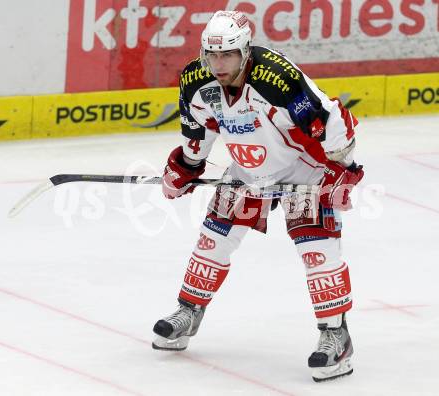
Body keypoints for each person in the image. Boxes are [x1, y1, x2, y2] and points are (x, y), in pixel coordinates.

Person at [152, 10, 364, 382]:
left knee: (316, 250)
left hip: (304, 168)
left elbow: (334, 122)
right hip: (248, 171)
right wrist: (184, 169)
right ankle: (188, 313)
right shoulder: (194, 81)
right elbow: (198, 136)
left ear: (245, 51)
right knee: (212, 241)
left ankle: (336, 335)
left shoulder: (277, 78)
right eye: (212, 56)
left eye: (228, 55)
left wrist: (340, 171)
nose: (219, 64)